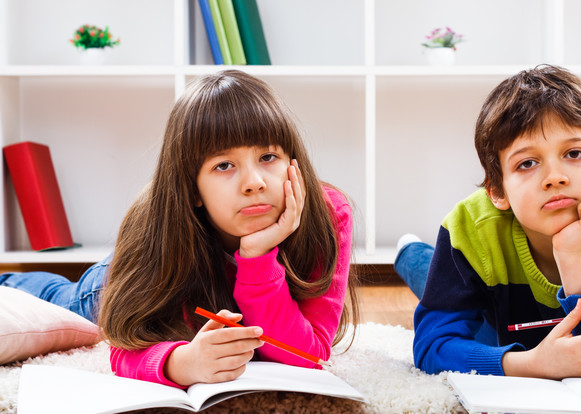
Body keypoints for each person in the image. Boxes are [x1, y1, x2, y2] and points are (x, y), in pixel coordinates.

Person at [0, 70, 359, 388]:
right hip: (116, 282)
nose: (254, 183)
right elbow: (126, 344)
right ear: (193, 188)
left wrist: (257, 256)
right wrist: (181, 363)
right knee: (65, 302)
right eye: (224, 165)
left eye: (268, 157)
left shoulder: (327, 216)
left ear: (292, 161)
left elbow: (309, 354)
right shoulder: (154, 226)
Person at [394, 64, 581, 379]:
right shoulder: (468, 228)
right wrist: (531, 365)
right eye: (527, 163)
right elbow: (432, 347)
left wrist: (571, 255)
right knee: (426, 272)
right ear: (497, 190)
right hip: (492, 320)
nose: (555, 178)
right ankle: (410, 252)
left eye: (575, 153)